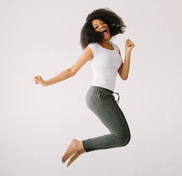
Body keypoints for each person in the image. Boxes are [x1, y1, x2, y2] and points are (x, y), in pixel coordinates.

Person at [34, 8, 135, 167]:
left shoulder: (116, 48)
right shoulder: (93, 48)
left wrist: (128, 52)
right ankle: (79, 145)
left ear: (108, 25)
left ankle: (81, 147)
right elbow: (71, 71)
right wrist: (46, 82)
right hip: (97, 95)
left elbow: (123, 75)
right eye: (96, 26)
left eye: (102, 23)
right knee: (122, 136)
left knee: (124, 138)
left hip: (107, 96)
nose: (101, 26)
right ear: (93, 32)